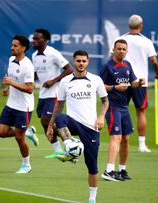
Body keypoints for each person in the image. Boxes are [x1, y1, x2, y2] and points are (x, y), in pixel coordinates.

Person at [46, 50, 109, 203]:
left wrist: (101, 117)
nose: (81, 63)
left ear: (87, 62)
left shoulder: (96, 80)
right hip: (72, 123)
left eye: (84, 61)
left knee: (92, 166)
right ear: (73, 62)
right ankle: (70, 145)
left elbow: (105, 101)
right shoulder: (65, 81)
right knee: (60, 117)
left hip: (91, 127)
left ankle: (92, 198)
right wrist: (50, 125)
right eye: (78, 61)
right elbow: (59, 105)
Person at [100, 39, 145, 181]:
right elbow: (98, 86)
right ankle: (108, 171)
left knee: (126, 139)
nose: (121, 51)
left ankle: (122, 170)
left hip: (124, 107)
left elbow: (133, 84)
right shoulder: (108, 66)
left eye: (124, 49)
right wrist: (114, 88)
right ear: (113, 49)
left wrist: (139, 83)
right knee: (117, 137)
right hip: (112, 106)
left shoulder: (127, 65)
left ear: (127, 51)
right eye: (119, 48)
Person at [116, 14, 158, 152]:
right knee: (140, 112)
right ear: (141, 25)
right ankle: (142, 145)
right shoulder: (146, 41)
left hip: (123, 80)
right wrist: (157, 74)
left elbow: (113, 57)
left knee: (120, 110)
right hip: (140, 81)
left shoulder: (121, 39)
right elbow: (154, 61)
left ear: (129, 25)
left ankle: (118, 141)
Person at [31, 28, 73, 158]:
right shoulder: (34, 56)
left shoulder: (53, 53)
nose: (34, 41)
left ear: (45, 40)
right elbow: (37, 75)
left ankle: (71, 143)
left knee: (47, 120)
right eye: (34, 38)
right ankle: (58, 150)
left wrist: (54, 81)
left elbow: (69, 69)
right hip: (43, 93)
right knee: (45, 123)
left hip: (54, 93)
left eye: (37, 39)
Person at [0, 35, 35, 173]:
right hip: (10, 104)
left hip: (24, 107)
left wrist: (11, 83)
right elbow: (11, 78)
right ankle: (27, 131)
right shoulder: (11, 60)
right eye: (12, 45)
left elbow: (30, 89)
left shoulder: (28, 65)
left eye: (15, 45)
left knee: (19, 137)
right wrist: (7, 88)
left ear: (23, 48)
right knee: (0, 132)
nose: (12, 48)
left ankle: (26, 165)